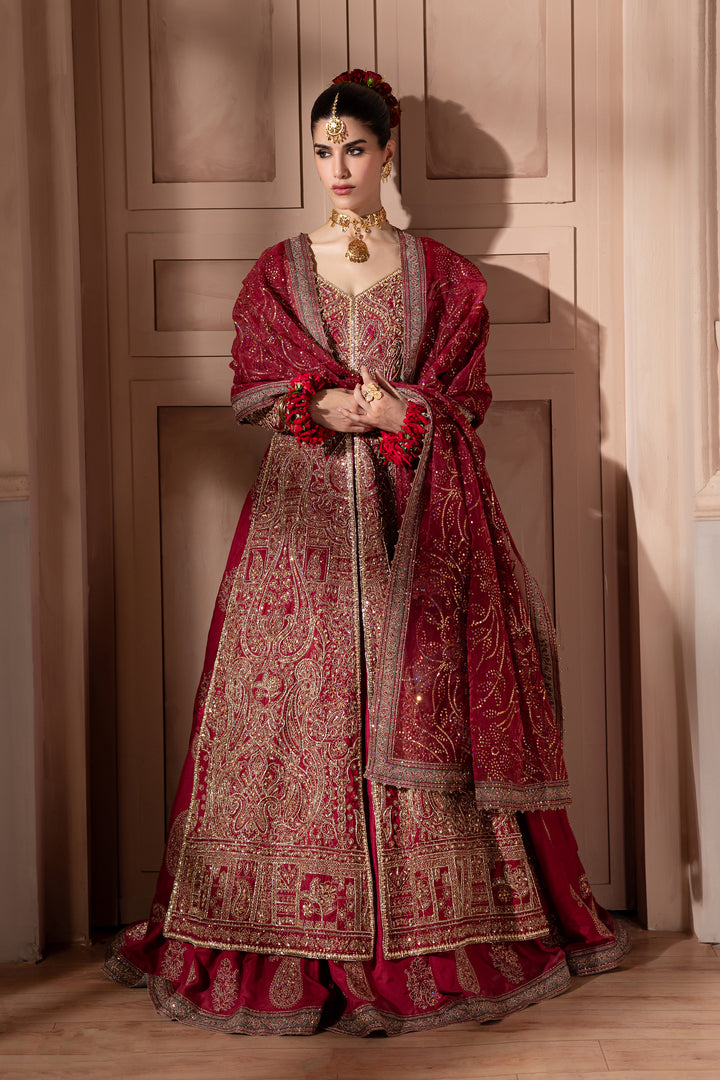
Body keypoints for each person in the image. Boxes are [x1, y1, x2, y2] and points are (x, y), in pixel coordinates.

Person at [104, 69, 629, 1037]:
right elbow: (256, 383)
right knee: (294, 710)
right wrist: (315, 404)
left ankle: (439, 931)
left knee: (418, 699)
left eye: (353, 148)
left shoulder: (445, 277)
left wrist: (401, 412)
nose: (337, 167)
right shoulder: (280, 270)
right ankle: (285, 931)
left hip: (411, 519)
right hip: (300, 525)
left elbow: (463, 400)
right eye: (323, 151)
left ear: (388, 154)